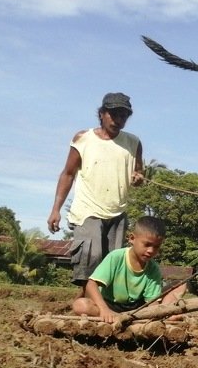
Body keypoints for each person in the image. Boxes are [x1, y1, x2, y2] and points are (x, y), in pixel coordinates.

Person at [48, 92, 144, 290]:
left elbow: (138, 173)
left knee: (110, 268)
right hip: (88, 211)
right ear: (102, 113)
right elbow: (68, 174)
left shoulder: (133, 143)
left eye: (124, 116)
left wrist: (138, 178)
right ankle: (84, 309)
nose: (119, 120)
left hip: (117, 212)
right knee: (89, 263)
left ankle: (95, 309)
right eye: (114, 114)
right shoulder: (84, 139)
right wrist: (56, 209)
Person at [72, 216, 185, 322]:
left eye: (156, 246)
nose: (151, 250)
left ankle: (155, 317)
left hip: (137, 309)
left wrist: (156, 313)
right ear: (132, 238)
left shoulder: (153, 268)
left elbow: (152, 302)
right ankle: (113, 316)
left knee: (180, 287)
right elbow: (91, 284)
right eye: (147, 244)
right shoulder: (116, 257)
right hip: (110, 305)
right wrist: (104, 309)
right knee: (80, 305)